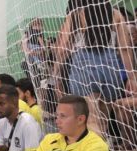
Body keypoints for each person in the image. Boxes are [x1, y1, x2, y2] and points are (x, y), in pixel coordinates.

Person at [53, 0, 137, 138]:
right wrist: (132, 77)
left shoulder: (76, 15)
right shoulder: (115, 14)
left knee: (91, 119)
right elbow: (125, 48)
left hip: (84, 66)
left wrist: (56, 75)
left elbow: (63, 48)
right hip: (110, 66)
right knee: (103, 121)